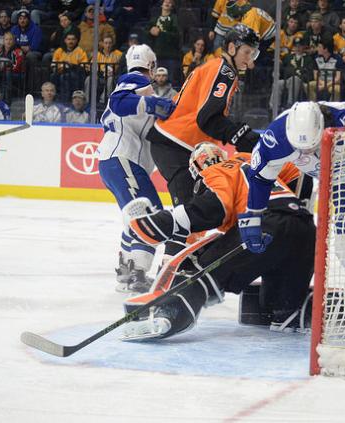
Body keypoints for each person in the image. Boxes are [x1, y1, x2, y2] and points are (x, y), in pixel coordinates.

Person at [238, 100, 345, 332]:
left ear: (323, 126)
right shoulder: (275, 138)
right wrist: (254, 217)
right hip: (333, 181)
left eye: (312, 145)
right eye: (301, 150)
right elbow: (260, 178)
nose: (307, 153)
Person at [121, 142, 316, 338]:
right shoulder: (248, 158)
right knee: (281, 309)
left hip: (262, 225)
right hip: (305, 227)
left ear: (197, 168)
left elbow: (214, 207)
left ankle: (170, 315)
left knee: (200, 271)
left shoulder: (214, 172)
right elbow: (299, 175)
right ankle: (290, 314)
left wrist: (158, 224)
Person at [146, 24, 261, 265]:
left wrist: (237, 133)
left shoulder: (219, 69)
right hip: (175, 144)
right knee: (190, 213)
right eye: (247, 52)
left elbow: (208, 117)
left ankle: (180, 267)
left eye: (254, 54)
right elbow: (207, 118)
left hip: (178, 145)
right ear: (231, 47)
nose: (250, 61)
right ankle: (170, 275)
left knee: (196, 212)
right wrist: (240, 134)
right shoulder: (224, 71)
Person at [97, 44, 175, 292]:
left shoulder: (139, 87)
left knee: (139, 216)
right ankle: (135, 275)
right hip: (122, 158)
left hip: (118, 161)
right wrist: (153, 104)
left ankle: (129, 272)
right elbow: (119, 102)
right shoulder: (135, 81)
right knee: (149, 214)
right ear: (151, 66)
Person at [145, 0, 181, 87]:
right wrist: (150, 32)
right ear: (162, 4)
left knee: (171, 82)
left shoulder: (175, 19)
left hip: (170, 56)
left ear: (172, 6)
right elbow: (146, 32)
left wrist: (160, 33)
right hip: (156, 55)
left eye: (170, 2)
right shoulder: (154, 19)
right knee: (154, 81)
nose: (167, 3)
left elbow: (176, 37)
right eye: (166, 1)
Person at [0, 32, 25, 104]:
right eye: (6, 39)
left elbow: (17, 66)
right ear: (3, 41)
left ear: (13, 41)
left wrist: (8, 68)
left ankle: (8, 98)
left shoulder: (18, 51)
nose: (8, 41)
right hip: (1, 72)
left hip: (15, 73)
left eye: (10, 39)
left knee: (8, 72)